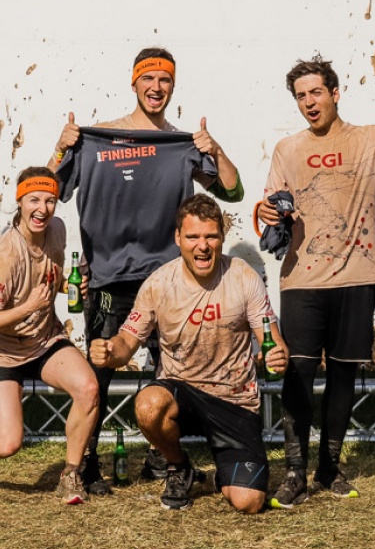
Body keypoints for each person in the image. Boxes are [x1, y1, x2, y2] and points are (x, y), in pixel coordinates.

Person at [256, 56, 375, 507]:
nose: (309, 102)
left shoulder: (372, 138)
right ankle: (295, 473)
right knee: (298, 376)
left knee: (343, 376)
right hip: (302, 279)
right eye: (301, 96)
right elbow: (272, 206)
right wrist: (267, 210)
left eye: (316, 92)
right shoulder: (287, 149)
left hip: (356, 276)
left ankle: (329, 469)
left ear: (335, 93)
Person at [50, 47, 245, 493]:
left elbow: (233, 193)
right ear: (134, 82)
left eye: (165, 80)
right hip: (106, 279)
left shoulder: (181, 144)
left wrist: (215, 149)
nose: (157, 88)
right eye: (149, 79)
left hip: (165, 280)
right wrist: (61, 146)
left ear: (173, 86)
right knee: (98, 371)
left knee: (168, 369)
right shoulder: (96, 139)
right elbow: (47, 189)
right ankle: (86, 464)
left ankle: (163, 457)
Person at [90, 194, 286, 513]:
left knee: (248, 503)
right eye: (193, 237)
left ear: (222, 237)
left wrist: (277, 355)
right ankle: (179, 465)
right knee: (149, 405)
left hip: (234, 399)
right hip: (181, 391)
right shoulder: (158, 283)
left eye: (211, 236)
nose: (202, 246)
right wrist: (111, 351)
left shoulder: (243, 276)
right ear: (177, 238)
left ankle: (226, 473)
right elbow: (127, 341)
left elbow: (273, 341)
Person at [0, 167, 100, 504]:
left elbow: (45, 280)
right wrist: (29, 306)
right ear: (20, 202)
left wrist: (66, 286)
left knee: (88, 388)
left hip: (44, 340)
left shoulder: (57, 229)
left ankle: (71, 473)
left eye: (50, 201)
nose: (42, 209)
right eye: (34, 200)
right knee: (8, 443)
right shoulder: (6, 254)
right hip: (2, 350)